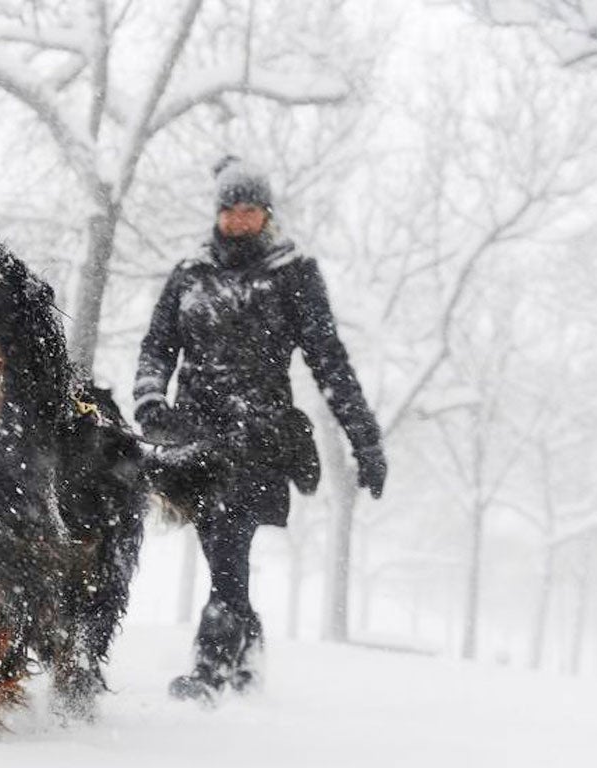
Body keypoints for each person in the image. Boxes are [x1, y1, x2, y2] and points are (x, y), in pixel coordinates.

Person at [133, 156, 388, 702]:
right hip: (195, 435)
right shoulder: (190, 273)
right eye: (230, 210)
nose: (239, 220)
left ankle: (211, 667)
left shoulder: (293, 274)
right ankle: (247, 649)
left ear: (266, 213)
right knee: (221, 551)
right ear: (218, 212)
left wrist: (364, 439)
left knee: (229, 544)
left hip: (259, 435)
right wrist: (151, 397)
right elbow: (157, 346)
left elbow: (330, 363)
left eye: (249, 210)